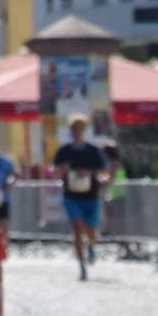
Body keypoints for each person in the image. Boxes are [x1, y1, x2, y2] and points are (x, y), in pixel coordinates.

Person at [52, 114, 108, 280]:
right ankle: (82, 265)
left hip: (90, 196)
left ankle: (91, 245)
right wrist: (62, 169)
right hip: (71, 196)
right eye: (74, 128)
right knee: (77, 228)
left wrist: (89, 173)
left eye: (79, 128)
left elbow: (104, 169)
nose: (76, 131)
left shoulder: (92, 150)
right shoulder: (64, 151)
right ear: (70, 130)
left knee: (91, 231)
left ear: (84, 130)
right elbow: (53, 170)